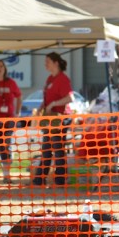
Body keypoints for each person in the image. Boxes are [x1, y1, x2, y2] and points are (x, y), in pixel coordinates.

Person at [32, 52, 73, 187]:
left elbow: (69, 98)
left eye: (48, 61)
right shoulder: (50, 78)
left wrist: (54, 104)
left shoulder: (63, 79)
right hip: (50, 118)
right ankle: (40, 179)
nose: (45, 64)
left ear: (56, 63)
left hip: (60, 118)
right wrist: (40, 107)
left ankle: (60, 179)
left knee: (57, 148)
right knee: (47, 148)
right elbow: (47, 98)